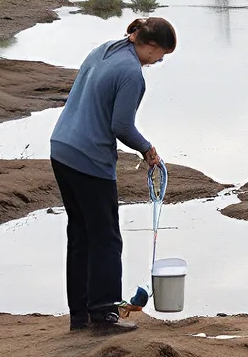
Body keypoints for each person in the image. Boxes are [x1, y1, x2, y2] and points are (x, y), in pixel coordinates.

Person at [50, 17, 176, 334]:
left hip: (61, 148)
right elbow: (121, 127)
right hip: (88, 159)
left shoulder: (105, 49)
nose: (158, 62)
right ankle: (104, 315)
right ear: (148, 44)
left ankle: (80, 315)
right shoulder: (132, 74)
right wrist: (148, 150)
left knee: (80, 235)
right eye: (160, 55)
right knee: (106, 239)